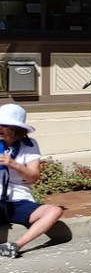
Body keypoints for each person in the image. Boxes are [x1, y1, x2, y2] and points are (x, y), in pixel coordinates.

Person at [0, 103, 63, 258]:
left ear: (15, 129)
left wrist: (14, 164)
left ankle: (15, 246)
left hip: (19, 200)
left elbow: (33, 177)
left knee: (54, 211)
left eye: (3, 125)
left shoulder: (29, 145)